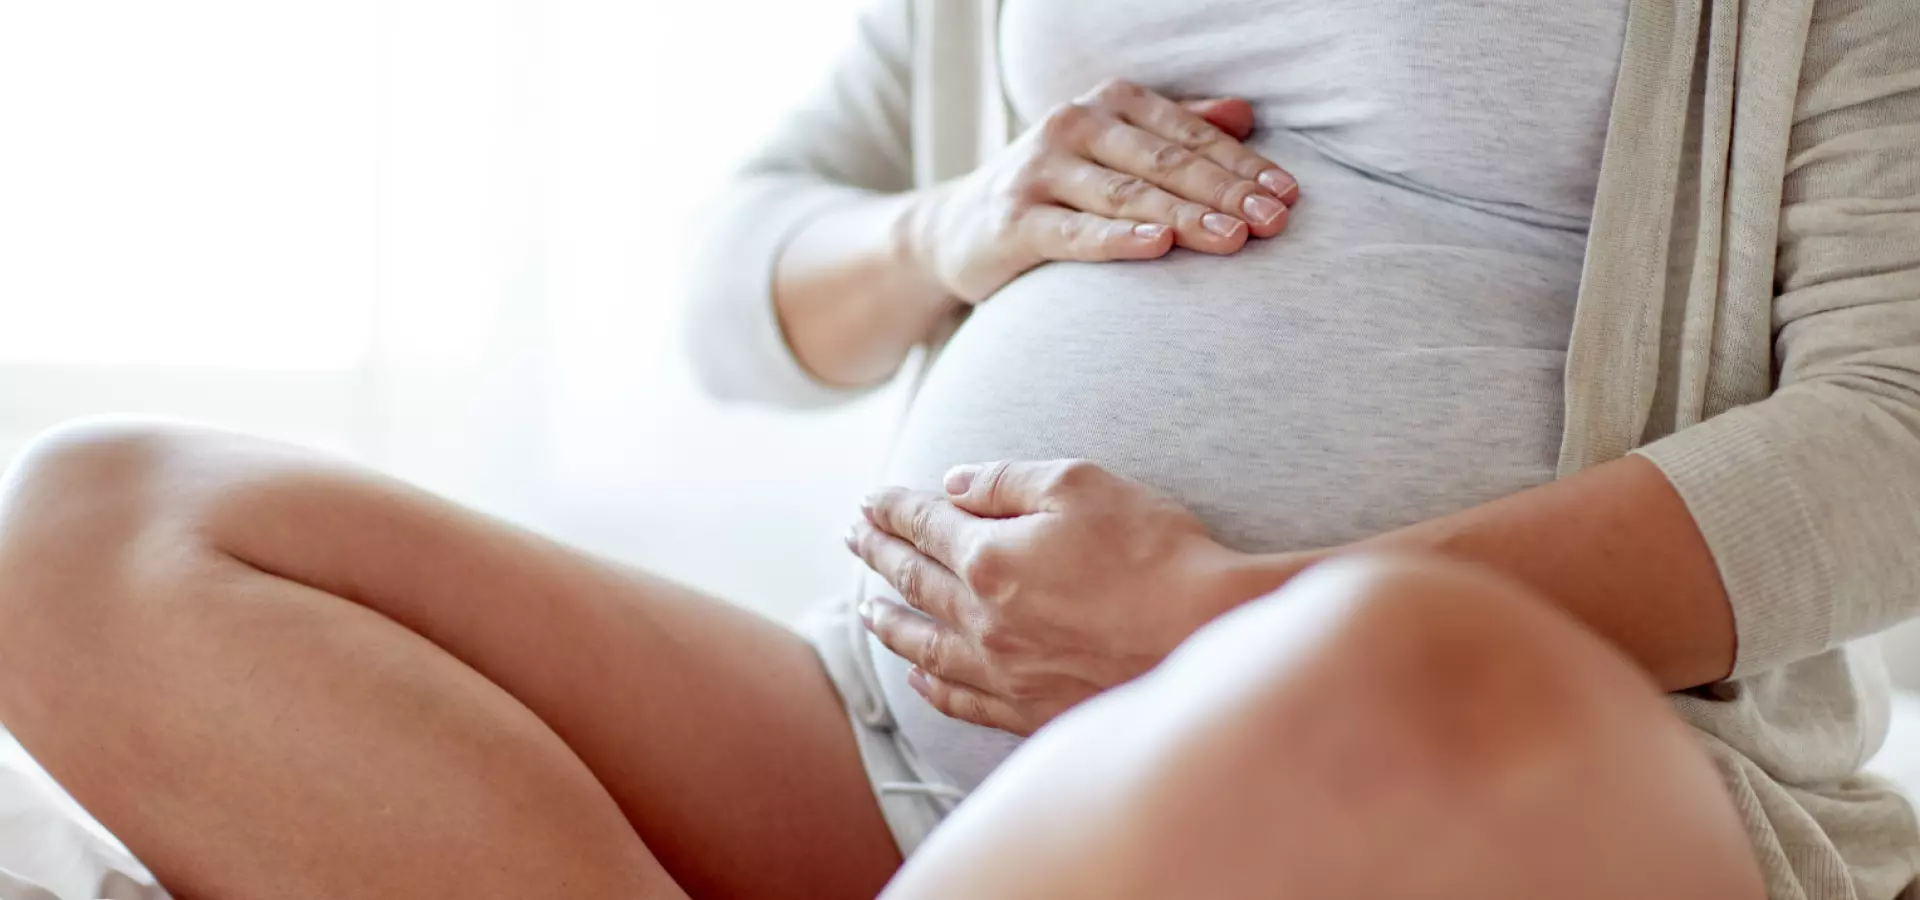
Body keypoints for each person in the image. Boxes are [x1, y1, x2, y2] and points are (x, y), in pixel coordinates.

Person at [0, 0, 1915, 897]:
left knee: (1395, 671)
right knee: (88, 527)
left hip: (1464, 777)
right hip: (901, 752)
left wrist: (1231, 619)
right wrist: (952, 224)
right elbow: (734, 278)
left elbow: (1886, 442)